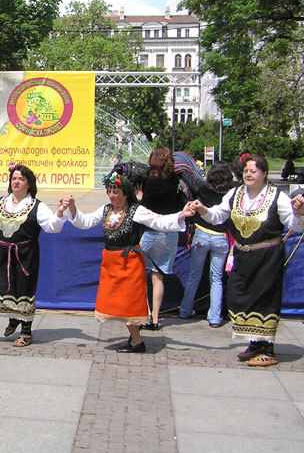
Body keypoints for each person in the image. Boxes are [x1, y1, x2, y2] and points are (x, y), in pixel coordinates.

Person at [62, 171, 193, 353]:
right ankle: (134, 337)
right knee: (117, 303)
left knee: (130, 303)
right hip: (111, 262)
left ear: (125, 192)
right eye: (109, 191)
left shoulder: (136, 210)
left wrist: (181, 214)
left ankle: (137, 342)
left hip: (129, 262)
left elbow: (159, 221)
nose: (112, 195)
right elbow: (85, 222)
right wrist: (73, 208)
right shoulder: (106, 209)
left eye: (116, 192)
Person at [190, 156, 304, 366]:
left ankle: (267, 349)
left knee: (264, 299)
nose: (248, 175)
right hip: (242, 255)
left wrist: (299, 212)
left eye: (253, 171)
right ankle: (255, 344)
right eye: (246, 171)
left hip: (267, 257)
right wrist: (202, 209)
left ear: (264, 174)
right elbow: (218, 216)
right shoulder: (235, 193)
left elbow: (295, 226)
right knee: (239, 297)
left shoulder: (277, 196)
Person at [0, 164, 66, 347]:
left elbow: (53, 227)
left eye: (21, 179)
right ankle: (14, 318)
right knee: (3, 287)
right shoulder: (0, 203)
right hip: (4, 254)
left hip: (26, 256)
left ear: (29, 184)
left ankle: (26, 332)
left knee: (24, 290)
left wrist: (59, 212)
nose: (16, 182)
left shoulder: (37, 206)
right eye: (14, 179)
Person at [178, 162, 234, 326]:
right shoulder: (232, 193)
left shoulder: (203, 187)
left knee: (194, 275)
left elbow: (185, 175)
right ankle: (215, 317)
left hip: (201, 235)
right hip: (221, 238)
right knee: (216, 279)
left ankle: (185, 310)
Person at [139, 145, 182, 330]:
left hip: (149, 231)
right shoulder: (175, 180)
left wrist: (139, 197)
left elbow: (145, 206)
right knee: (159, 276)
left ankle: (144, 315)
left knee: (140, 275)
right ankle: (156, 319)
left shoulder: (149, 180)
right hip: (169, 234)